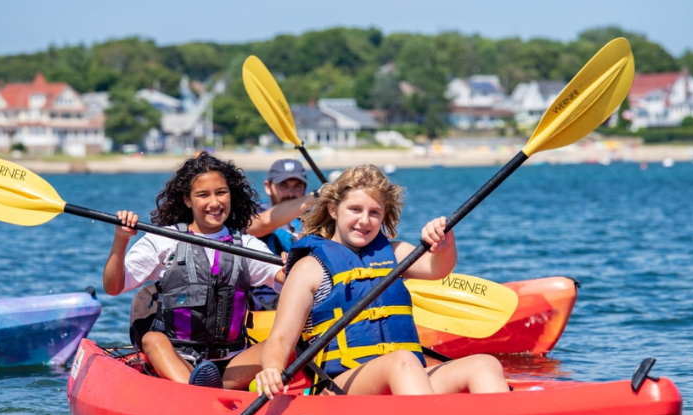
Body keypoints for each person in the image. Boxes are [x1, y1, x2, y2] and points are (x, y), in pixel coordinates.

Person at [254, 164, 510, 398]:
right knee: (402, 362)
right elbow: (280, 339)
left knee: (484, 365)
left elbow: (437, 268)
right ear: (333, 209)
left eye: (374, 212)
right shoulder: (309, 268)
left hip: (405, 375)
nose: (364, 220)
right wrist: (272, 369)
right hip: (339, 387)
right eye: (355, 209)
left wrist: (445, 242)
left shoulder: (395, 254)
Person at [103, 152, 285, 389]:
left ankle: (209, 388)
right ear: (187, 200)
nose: (214, 203)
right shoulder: (164, 240)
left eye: (221, 192)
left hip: (231, 366)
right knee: (152, 339)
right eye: (203, 195)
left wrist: (293, 266)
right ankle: (194, 388)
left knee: (286, 342)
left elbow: (285, 280)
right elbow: (114, 287)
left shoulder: (247, 246)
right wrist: (121, 239)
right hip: (179, 359)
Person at [247, 158, 318, 310]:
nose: (290, 193)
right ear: (268, 186)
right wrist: (316, 196)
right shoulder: (255, 215)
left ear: (305, 187)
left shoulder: (314, 218)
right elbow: (261, 225)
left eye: (297, 186)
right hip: (269, 301)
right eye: (283, 186)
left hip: (309, 294)